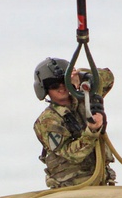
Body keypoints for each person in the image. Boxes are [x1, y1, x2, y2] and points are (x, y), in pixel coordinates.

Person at [33, 57, 116, 188]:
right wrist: (92, 131)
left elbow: (108, 78)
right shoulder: (47, 121)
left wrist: (82, 76)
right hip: (71, 189)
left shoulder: (86, 98)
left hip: (101, 184)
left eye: (63, 82)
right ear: (45, 90)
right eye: (54, 85)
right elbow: (72, 154)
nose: (61, 88)